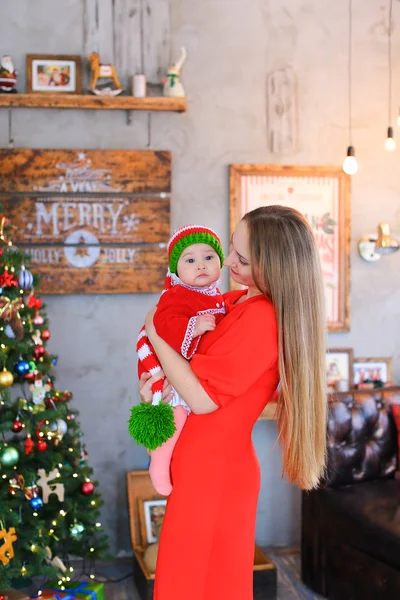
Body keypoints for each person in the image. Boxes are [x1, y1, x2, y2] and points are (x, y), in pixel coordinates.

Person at [140, 205, 327, 600]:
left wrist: (154, 331)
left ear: (273, 267)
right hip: (204, 466)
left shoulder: (261, 318)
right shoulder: (236, 302)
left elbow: (204, 399)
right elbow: (185, 359)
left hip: (215, 472)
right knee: (191, 583)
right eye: (231, 249)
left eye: (241, 258)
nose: (227, 262)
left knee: (192, 586)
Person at [135, 225, 226, 496]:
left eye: (209, 257)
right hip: (166, 369)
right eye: (190, 260)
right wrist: (193, 327)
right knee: (175, 416)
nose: (201, 265)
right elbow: (162, 323)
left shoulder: (216, 296)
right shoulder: (177, 295)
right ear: (176, 270)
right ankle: (158, 465)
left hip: (192, 375)